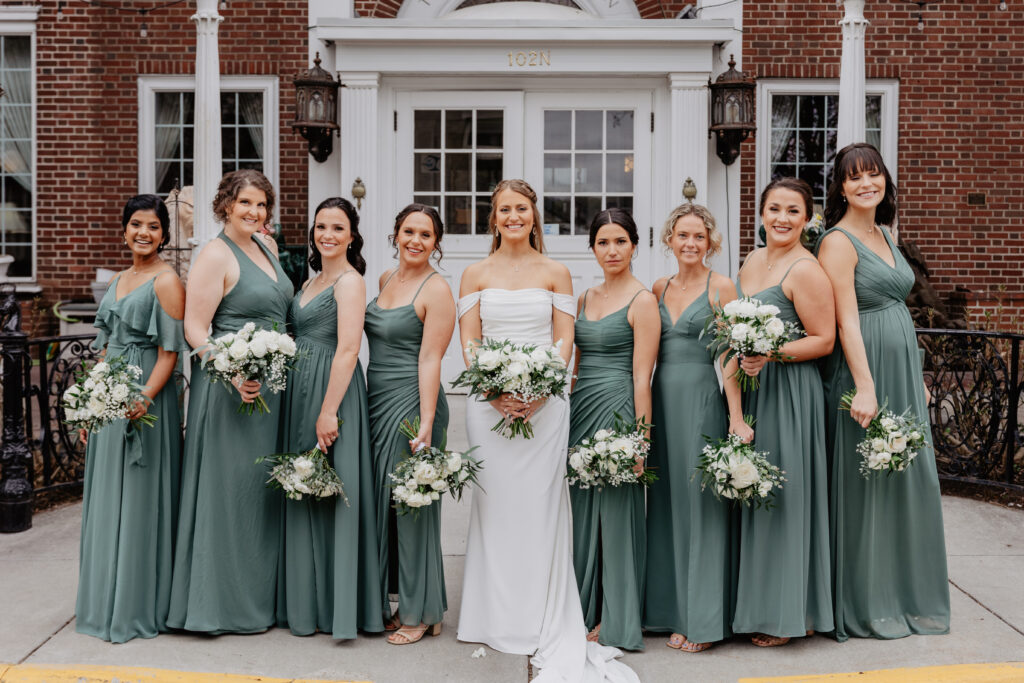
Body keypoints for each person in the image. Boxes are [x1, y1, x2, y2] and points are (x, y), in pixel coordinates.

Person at [457, 179, 638, 683]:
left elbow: (564, 340)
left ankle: (538, 611)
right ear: (492, 218)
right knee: (495, 505)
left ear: (534, 216)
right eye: (503, 210)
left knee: (539, 505)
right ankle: (492, 614)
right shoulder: (473, 273)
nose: (513, 216)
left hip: (546, 405)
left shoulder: (557, 272)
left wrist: (540, 390)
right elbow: (470, 342)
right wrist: (493, 391)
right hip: (486, 405)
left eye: (521, 209)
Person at [818, 142, 950, 641]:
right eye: (855, 177)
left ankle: (905, 592)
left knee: (906, 479)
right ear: (842, 186)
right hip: (864, 369)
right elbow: (846, 318)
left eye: (873, 174)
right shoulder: (837, 242)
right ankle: (866, 602)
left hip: (899, 367)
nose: (866, 183)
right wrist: (865, 386)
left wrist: (914, 375)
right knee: (867, 481)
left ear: (884, 181)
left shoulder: (885, 233)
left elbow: (902, 307)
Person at [168, 169, 294, 634]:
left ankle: (262, 596)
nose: (255, 213)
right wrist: (233, 371)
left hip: (270, 387)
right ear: (225, 204)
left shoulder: (267, 247)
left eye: (262, 205)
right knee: (230, 494)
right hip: (228, 392)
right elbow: (195, 330)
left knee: (262, 493)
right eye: (246, 203)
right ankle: (218, 604)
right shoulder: (213, 255)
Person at [76, 195, 186, 643]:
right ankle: (104, 601)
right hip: (108, 398)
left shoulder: (167, 280)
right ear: (124, 230)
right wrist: (90, 404)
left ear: (164, 234)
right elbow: (104, 349)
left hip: (146, 399)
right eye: (136, 224)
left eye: (154, 226)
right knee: (106, 499)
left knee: (140, 501)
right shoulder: (120, 278)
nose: (144, 233)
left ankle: (138, 605)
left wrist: (144, 397)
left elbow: (170, 352)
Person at [731, 178, 836, 647]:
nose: (782, 218)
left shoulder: (806, 269)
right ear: (761, 213)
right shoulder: (753, 260)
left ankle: (793, 613)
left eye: (794, 211)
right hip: (754, 389)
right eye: (774, 208)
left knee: (785, 497)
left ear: (808, 219)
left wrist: (770, 354)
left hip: (791, 393)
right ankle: (761, 603)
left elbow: (824, 340)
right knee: (754, 492)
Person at [644, 203, 749, 653]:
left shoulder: (720, 286)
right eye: (682, 236)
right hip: (662, 399)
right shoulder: (657, 287)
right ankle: (667, 609)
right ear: (669, 239)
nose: (690, 244)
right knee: (666, 504)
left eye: (699, 238)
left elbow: (728, 355)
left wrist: (737, 416)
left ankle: (702, 621)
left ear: (711, 243)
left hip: (702, 401)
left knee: (700, 506)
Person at [276, 197, 383, 639]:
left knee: (334, 490)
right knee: (304, 487)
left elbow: (349, 349)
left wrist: (328, 409)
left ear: (352, 235)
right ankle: (305, 603)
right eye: (321, 227)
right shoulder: (311, 279)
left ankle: (340, 608)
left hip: (332, 391)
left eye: (338, 228)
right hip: (299, 388)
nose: (328, 235)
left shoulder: (350, 282)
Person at [365, 204, 456, 645]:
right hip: (375, 399)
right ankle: (390, 600)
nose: (415, 241)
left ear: (436, 243)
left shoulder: (437, 290)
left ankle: (420, 613)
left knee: (413, 505)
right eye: (408, 231)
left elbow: (431, 358)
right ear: (395, 235)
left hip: (412, 403)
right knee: (384, 505)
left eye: (425, 234)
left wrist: (425, 420)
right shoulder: (385, 280)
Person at [568, 208, 659, 652]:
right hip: (582, 410)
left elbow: (643, 377)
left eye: (620, 241)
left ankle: (617, 615)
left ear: (635, 246)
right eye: (603, 242)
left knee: (618, 516)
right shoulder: (584, 298)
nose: (612, 250)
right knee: (584, 513)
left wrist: (640, 440)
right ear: (592, 249)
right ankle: (583, 607)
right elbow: (575, 366)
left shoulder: (643, 300)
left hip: (619, 407)